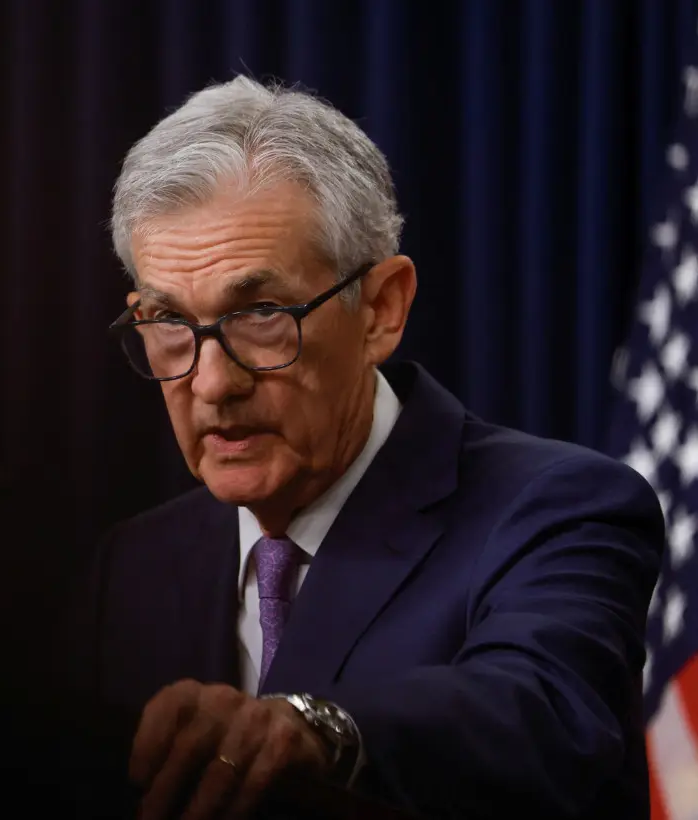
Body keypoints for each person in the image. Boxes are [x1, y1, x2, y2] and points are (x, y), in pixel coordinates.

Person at [65, 76, 664, 819]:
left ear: (382, 308)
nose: (211, 382)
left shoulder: (560, 509)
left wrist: (319, 731)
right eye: (167, 320)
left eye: (258, 314)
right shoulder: (134, 565)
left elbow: (540, 714)